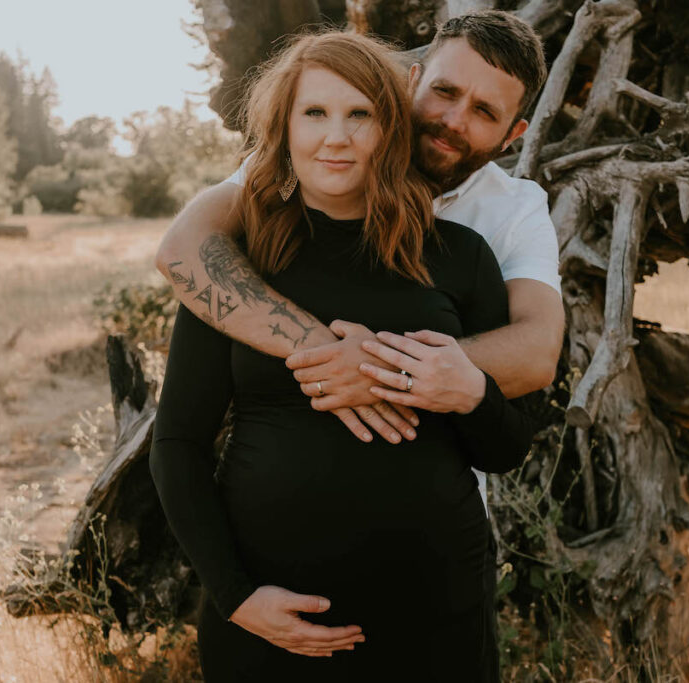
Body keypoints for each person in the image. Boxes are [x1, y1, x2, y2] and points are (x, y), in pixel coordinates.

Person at [150, 29, 535, 681]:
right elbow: (178, 442)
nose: (337, 136)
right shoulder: (240, 261)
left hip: (435, 620)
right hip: (272, 625)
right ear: (284, 126)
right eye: (315, 113)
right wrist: (235, 594)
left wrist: (467, 388)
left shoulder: (462, 256)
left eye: (360, 114)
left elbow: (508, 447)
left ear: (390, 130)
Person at [155, 11, 563, 519]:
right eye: (445, 91)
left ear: (513, 134)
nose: (454, 120)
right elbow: (184, 249)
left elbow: (538, 351)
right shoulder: (321, 157)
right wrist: (326, 353)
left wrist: (372, 369)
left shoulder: (512, 211)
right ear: (413, 80)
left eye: (484, 111)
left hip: (432, 535)